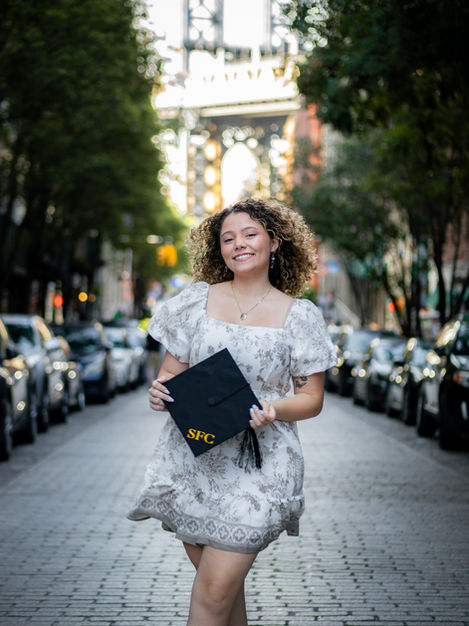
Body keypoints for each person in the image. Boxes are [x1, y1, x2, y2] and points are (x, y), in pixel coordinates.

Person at [127, 198, 337, 625]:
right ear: (217, 248)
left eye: (250, 234)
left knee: (211, 593)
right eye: (227, 238)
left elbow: (311, 398)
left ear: (274, 242)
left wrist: (273, 409)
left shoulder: (299, 316)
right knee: (223, 596)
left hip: (261, 468)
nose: (238, 243)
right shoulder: (196, 302)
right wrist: (159, 392)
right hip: (196, 462)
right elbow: (171, 374)